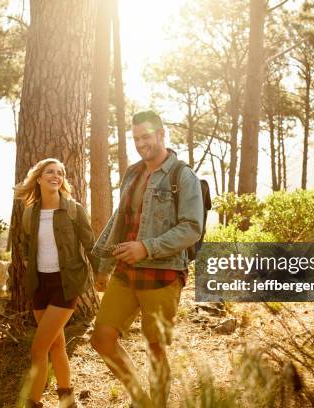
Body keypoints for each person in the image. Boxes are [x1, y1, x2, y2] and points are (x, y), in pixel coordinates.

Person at [90, 110, 204, 407]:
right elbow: (120, 219)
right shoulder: (133, 172)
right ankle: (141, 400)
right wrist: (104, 265)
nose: (142, 143)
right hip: (126, 271)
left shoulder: (182, 174)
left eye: (147, 137)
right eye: (137, 138)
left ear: (161, 134)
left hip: (163, 273)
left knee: (155, 349)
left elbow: (192, 228)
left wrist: (147, 247)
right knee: (102, 338)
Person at [15, 158, 98, 408]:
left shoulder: (74, 209)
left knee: (37, 350)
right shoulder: (30, 212)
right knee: (56, 344)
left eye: (60, 173)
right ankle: (67, 399)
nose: (56, 176)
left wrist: (102, 275)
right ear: (38, 178)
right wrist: (30, 266)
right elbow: (25, 245)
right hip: (40, 285)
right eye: (50, 172)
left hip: (66, 284)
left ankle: (33, 402)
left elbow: (90, 245)